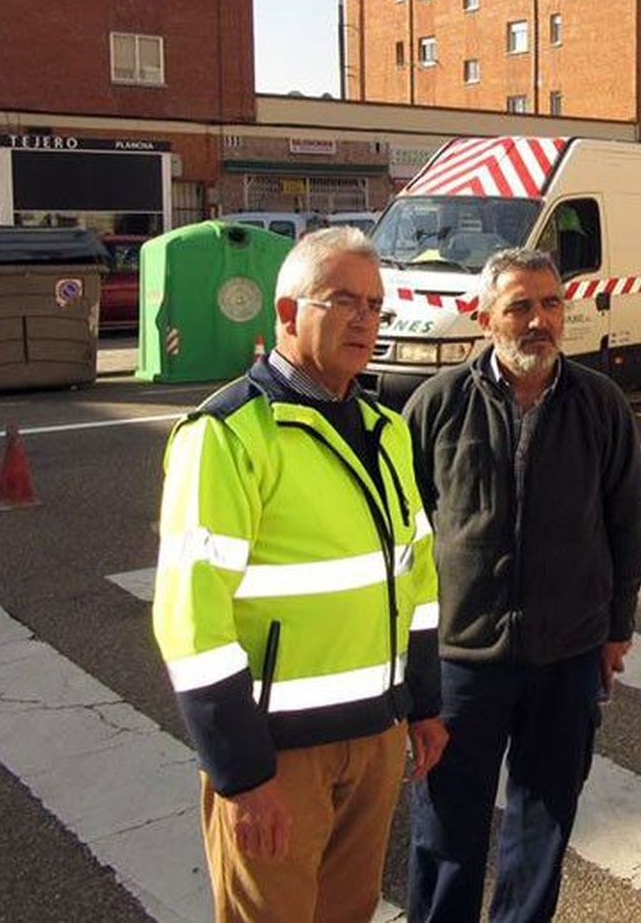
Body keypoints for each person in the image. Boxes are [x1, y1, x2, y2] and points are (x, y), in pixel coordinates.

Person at [152, 227, 447, 923]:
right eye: (344, 300)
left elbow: (417, 577)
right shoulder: (227, 434)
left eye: (375, 305)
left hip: (374, 738)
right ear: (287, 314)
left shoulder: (386, 428)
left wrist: (425, 701)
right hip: (279, 755)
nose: (365, 320)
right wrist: (243, 773)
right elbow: (190, 620)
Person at [402, 246, 641, 923]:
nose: (538, 321)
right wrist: (411, 655)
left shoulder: (600, 404)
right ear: (486, 318)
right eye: (520, 307)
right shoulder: (437, 405)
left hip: (565, 655)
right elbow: (404, 537)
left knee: (543, 828)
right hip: (461, 661)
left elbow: (628, 524)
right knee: (446, 832)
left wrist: (616, 629)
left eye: (550, 305)